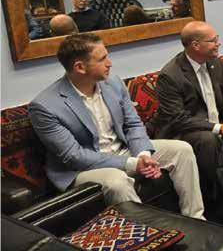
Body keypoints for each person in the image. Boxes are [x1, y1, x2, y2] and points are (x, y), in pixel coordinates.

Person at [28, 33, 204, 219]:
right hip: (81, 169)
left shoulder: (113, 83)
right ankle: (146, 233)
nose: (109, 63)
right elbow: (73, 156)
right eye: (102, 59)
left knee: (181, 150)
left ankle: (196, 218)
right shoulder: (45, 106)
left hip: (123, 150)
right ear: (80, 67)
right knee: (117, 180)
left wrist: (143, 155)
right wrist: (133, 164)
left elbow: (132, 124)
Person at [152, 21, 223, 199]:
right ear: (196, 45)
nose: (218, 43)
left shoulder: (216, 63)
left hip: (216, 122)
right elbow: (178, 119)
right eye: (213, 40)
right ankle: (215, 198)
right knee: (208, 139)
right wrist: (220, 128)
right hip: (186, 131)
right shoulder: (170, 75)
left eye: (217, 39)